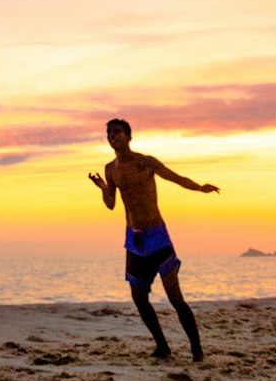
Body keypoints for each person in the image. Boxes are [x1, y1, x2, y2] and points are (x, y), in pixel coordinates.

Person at [89, 117, 218, 362]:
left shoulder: (145, 163)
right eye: (108, 132)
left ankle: (197, 350)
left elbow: (175, 178)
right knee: (139, 298)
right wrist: (104, 188)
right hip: (134, 240)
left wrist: (200, 188)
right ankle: (163, 347)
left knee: (175, 297)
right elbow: (111, 205)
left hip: (157, 236)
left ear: (128, 136)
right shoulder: (110, 169)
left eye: (116, 131)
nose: (111, 136)